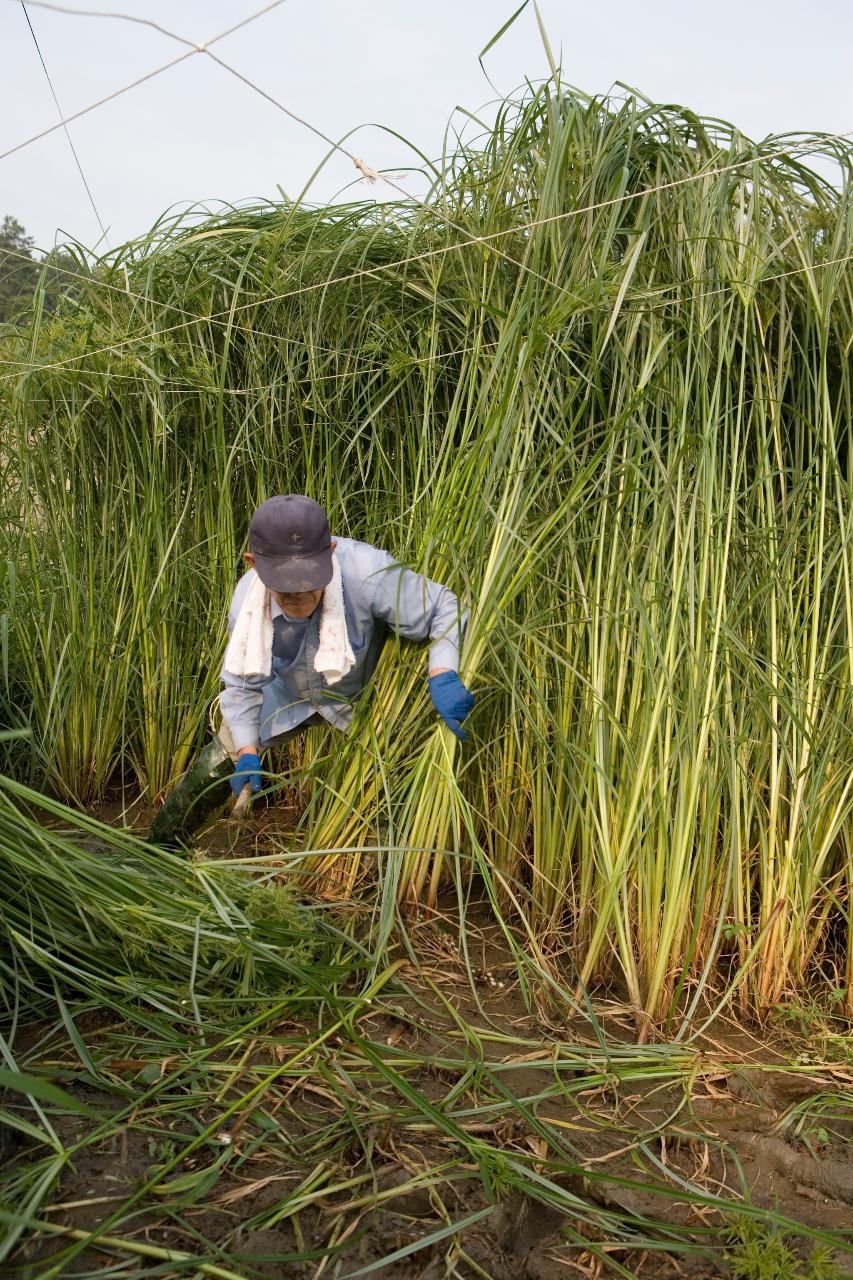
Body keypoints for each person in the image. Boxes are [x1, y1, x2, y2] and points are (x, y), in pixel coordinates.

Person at [150, 494, 473, 843]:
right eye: (287, 592)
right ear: (254, 564)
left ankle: (377, 871)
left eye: (310, 585)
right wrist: (246, 752)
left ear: (330, 553)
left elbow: (444, 605)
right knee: (216, 763)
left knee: (391, 789)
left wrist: (443, 672)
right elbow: (242, 687)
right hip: (283, 696)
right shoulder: (247, 601)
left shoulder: (367, 571)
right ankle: (161, 849)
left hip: (361, 700)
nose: (300, 599)